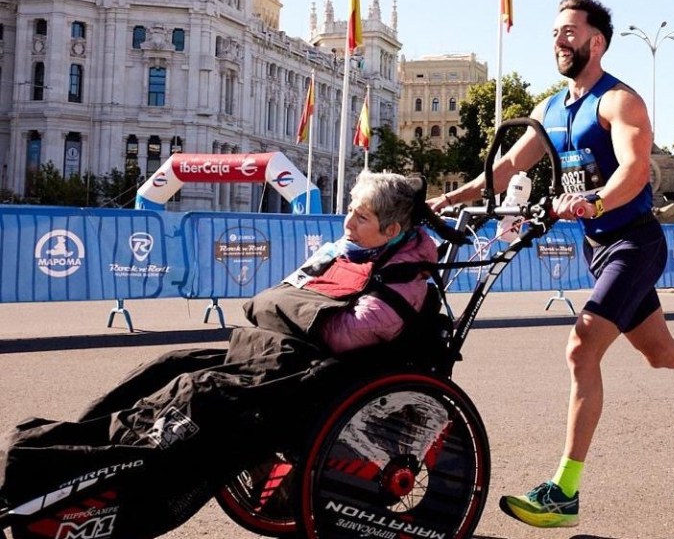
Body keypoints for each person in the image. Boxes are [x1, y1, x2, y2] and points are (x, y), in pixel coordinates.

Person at [430, 0, 674, 529]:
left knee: (582, 347)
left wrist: (593, 202)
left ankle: (564, 492)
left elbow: (636, 172)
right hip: (599, 247)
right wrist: (448, 201)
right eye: (554, 33)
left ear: (596, 42)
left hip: (634, 242)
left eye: (570, 31)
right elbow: (506, 167)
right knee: (661, 353)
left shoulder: (620, 103)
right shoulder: (548, 109)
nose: (559, 40)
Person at [0, 172, 440, 536]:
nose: (346, 224)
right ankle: (54, 454)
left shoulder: (403, 275)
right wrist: (293, 309)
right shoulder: (352, 252)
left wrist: (290, 308)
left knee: (198, 393)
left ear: (391, 231)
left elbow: (350, 334)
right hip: (278, 354)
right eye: (350, 211)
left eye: (360, 217)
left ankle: (70, 481)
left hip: (316, 373)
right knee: (171, 366)